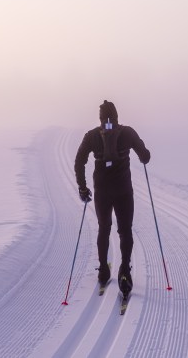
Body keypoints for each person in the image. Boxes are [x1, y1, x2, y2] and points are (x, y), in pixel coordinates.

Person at [74, 100, 151, 296]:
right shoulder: (128, 133)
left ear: (100, 118)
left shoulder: (91, 136)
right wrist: (143, 156)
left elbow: (79, 161)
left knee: (104, 227)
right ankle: (124, 271)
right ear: (117, 115)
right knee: (125, 230)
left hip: (102, 190)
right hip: (123, 189)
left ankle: (103, 270)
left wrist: (83, 187)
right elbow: (145, 156)